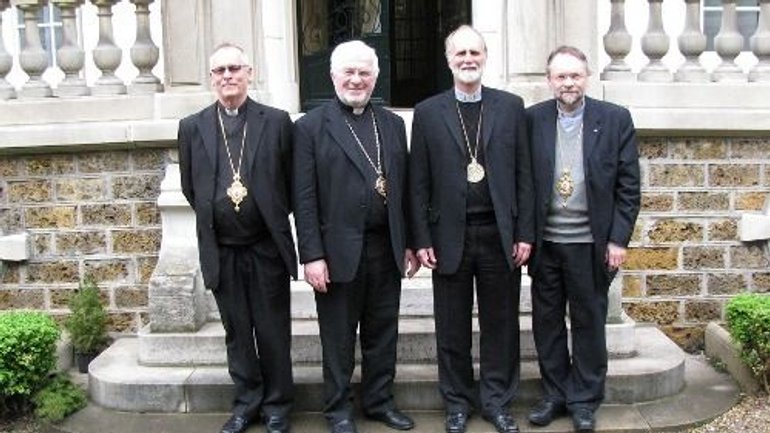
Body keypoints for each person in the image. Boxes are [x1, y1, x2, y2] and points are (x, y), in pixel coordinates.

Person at [409, 25, 534, 433]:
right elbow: (418, 182)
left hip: (500, 236)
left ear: (485, 57)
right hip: (448, 238)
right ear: (448, 60)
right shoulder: (427, 112)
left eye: (474, 52)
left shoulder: (511, 107)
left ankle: (497, 401)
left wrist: (525, 232)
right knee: (452, 326)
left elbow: (524, 177)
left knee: (501, 325)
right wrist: (421, 239)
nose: (467, 59)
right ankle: (458, 403)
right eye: (459, 53)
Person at [293, 40, 420, 433]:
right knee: (338, 339)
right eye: (348, 72)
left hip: (386, 246)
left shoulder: (393, 124)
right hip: (336, 253)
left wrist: (411, 243)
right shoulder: (310, 127)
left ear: (375, 77)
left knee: (384, 333)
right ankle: (338, 411)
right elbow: (304, 197)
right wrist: (311, 255)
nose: (356, 79)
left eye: (364, 72)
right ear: (333, 76)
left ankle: (380, 402)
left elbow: (406, 189)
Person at [177, 43, 296, 433]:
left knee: (273, 330)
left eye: (234, 68)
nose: (227, 76)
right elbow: (191, 188)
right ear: (211, 78)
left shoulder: (277, 122)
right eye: (219, 71)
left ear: (249, 72)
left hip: (265, 249)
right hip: (223, 250)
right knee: (238, 332)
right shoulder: (192, 126)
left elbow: (291, 185)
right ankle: (247, 403)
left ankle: (278, 405)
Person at [525, 45, 641, 433]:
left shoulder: (614, 119)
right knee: (547, 324)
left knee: (589, 323)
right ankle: (556, 394)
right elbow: (522, 185)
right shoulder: (532, 120)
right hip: (546, 245)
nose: (568, 83)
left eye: (575, 75)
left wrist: (618, 240)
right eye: (561, 76)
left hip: (591, 246)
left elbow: (629, 186)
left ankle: (585, 400)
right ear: (549, 81)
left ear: (586, 77)